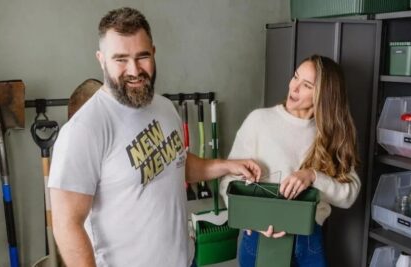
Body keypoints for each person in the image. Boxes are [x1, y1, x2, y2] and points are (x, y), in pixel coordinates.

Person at [48, 7, 261, 267]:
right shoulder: (85, 130)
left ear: (154, 53)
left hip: (186, 259)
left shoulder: (164, 107)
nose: (134, 70)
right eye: (121, 59)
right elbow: (67, 225)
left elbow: (177, 164)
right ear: (101, 59)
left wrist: (228, 165)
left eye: (142, 56)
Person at [220, 55, 361, 267]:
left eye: (306, 85)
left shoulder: (332, 135)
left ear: (323, 96)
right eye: (295, 77)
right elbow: (227, 181)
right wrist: (249, 218)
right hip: (260, 238)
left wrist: (313, 176)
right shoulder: (259, 121)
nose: (293, 88)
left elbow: (349, 195)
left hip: (309, 240)